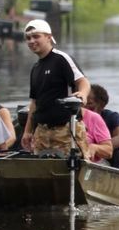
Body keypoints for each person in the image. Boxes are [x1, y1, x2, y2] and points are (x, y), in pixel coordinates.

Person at [21, 19, 90, 157]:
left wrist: (82, 94)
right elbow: (34, 102)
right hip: (42, 132)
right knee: (42, 173)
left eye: (36, 36)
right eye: (28, 38)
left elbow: (83, 81)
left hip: (65, 130)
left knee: (72, 171)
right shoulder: (35, 68)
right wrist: (27, 131)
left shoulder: (61, 59)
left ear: (48, 37)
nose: (31, 41)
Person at [85, 84, 119, 168]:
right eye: (83, 103)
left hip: (103, 154)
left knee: (116, 152)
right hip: (84, 155)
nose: (85, 107)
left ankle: (116, 177)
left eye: (90, 104)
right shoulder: (78, 116)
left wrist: (98, 147)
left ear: (102, 105)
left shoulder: (110, 117)